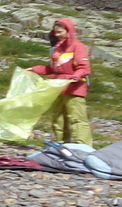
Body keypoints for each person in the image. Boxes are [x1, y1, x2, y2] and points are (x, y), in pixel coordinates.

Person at [29, 17, 92, 146]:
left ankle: (84, 146)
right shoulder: (56, 48)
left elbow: (84, 68)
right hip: (57, 87)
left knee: (76, 118)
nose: (57, 35)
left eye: (60, 32)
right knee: (58, 118)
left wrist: (75, 76)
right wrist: (35, 69)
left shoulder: (78, 46)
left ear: (68, 31)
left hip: (74, 88)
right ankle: (61, 144)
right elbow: (52, 68)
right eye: (55, 33)